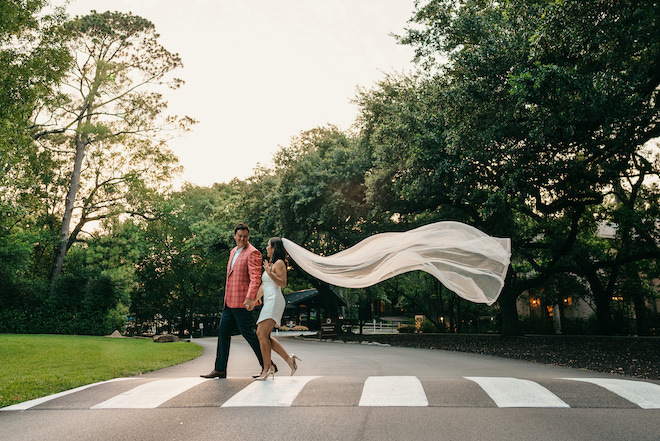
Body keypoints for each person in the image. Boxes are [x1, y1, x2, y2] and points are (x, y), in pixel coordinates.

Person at [201, 223, 270, 379]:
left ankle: (268, 365)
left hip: (242, 302)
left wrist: (250, 298)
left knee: (250, 335)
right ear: (235, 236)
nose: (242, 239)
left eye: (245, 236)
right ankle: (220, 369)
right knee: (223, 333)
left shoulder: (253, 253)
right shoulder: (233, 252)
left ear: (248, 237)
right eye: (239, 236)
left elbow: (255, 278)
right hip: (229, 302)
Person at [253, 237, 300, 380]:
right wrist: (252, 300)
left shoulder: (279, 263)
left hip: (275, 300)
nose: (266, 248)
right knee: (263, 335)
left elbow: (283, 283)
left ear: (274, 248)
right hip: (268, 301)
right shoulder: (271, 263)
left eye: (268, 246)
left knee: (261, 333)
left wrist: (270, 272)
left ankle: (267, 368)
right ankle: (288, 360)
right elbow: (264, 286)